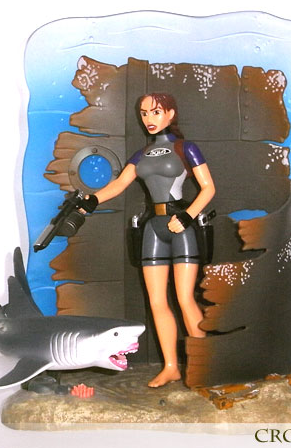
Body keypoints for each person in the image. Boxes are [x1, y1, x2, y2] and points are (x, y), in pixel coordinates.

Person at [79, 93, 215, 387]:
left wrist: (188, 216)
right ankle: (171, 366)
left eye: (155, 112)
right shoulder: (141, 154)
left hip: (180, 225)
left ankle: (205, 366)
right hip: (153, 227)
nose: (149, 119)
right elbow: (119, 185)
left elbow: (208, 188)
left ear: (170, 114)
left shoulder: (185, 148)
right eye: (144, 113)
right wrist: (91, 200)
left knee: (184, 298)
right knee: (156, 302)